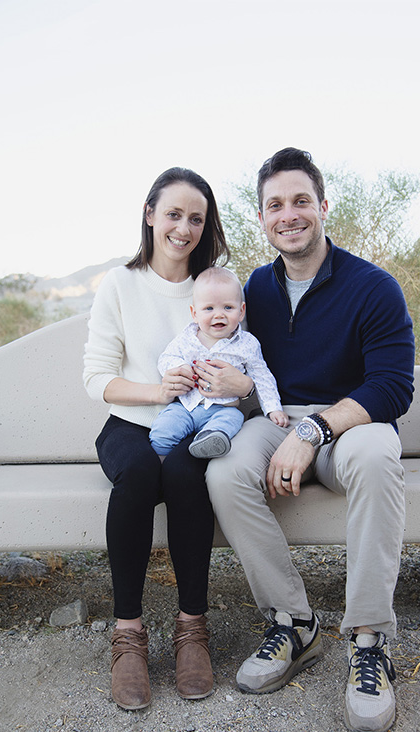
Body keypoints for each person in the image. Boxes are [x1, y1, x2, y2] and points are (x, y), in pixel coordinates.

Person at [206, 147, 414, 732]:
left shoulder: (373, 287)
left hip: (350, 427)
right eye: (275, 205)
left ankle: (369, 640)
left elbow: (393, 387)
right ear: (262, 217)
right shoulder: (253, 290)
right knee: (223, 470)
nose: (289, 214)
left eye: (301, 201)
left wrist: (315, 428)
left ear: (322, 206)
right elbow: (249, 372)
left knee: (377, 458)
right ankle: (294, 624)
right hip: (276, 425)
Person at [83, 167, 250, 710]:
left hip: (197, 427)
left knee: (184, 471)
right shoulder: (120, 284)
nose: (184, 227)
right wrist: (157, 393)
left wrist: (241, 385)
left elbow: (253, 365)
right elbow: (96, 378)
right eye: (173, 214)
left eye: (196, 218)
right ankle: (128, 634)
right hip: (130, 424)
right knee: (137, 472)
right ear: (150, 214)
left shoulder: (216, 289)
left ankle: (191, 628)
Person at [149, 266, 288, 459]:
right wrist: (178, 368)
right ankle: (160, 457)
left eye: (228, 307)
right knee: (164, 427)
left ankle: (210, 442)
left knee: (233, 419)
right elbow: (165, 358)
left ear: (241, 311)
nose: (219, 315)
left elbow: (262, 376)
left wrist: (273, 408)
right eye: (209, 308)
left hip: (223, 410)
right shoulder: (186, 338)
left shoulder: (247, 344)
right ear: (195, 313)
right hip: (186, 406)